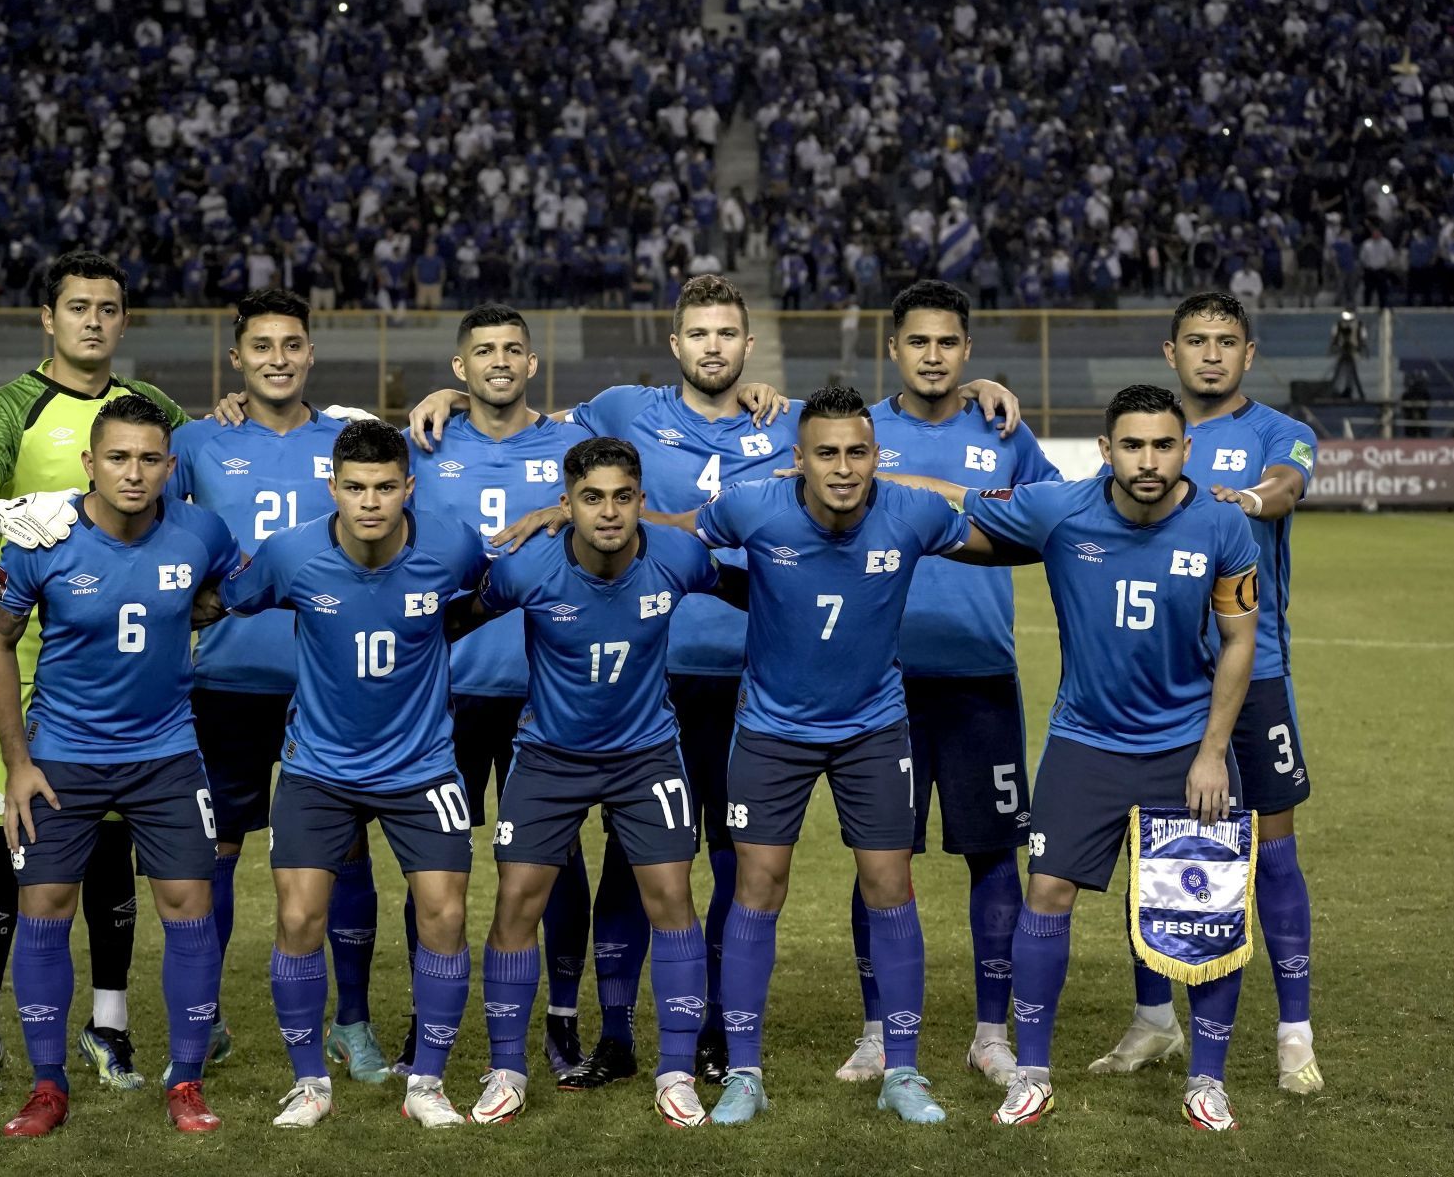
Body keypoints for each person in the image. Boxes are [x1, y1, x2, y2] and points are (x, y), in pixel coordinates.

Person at [426, 274, 1021, 1083]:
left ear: (748, 345)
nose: (713, 346)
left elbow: (869, 436)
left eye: (727, 333)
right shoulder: (624, 410)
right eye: (698, 333)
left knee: (736, 863)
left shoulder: (784, 425)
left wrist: (977, 387)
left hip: (750, 677)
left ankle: (712, 1030)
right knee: (637, 867)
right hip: (652, 677)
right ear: (675, 344)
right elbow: (524, 415)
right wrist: (452, 396)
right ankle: (616, 1029)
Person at [657, 386, 993, 1128]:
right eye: (828, 453)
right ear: (798, 460)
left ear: (877, 456)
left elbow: (1011, 535)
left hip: (874, 728)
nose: (844, 468)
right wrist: (573, 518)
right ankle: (745, 1072)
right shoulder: (754, 508)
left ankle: (902, 1069)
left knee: (889, 883)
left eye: (858, 452)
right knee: (759, 884)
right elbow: (676, 531)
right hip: (772, 729)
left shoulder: (913, 512)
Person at [951, 385, 1261, 1131]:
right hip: (1085, 742)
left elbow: (1240, 642)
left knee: (1202, 914)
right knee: (1046, 893)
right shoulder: (1060, 508)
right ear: (1104, 450)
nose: (1147, 461)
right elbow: (954, 498)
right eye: (1132, 445)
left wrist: (1214, 752)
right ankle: (1031, 1073)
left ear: (1186, 449)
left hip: (1188, 746)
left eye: (1162, 445)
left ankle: (1206, 1080)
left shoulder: (1222, 527)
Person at [197, 419, 491, 1129]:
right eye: (355, 487)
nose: (370, 502)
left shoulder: (450, 544)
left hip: (423, 766)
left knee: (445, 916)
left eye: (385, 486)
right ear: (331, 487)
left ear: (408, 487)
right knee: (298, 916)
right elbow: (220, 599)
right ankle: (309, 1082)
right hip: (319, 767)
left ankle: (427, 1082)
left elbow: (497, 590)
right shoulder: (293, 551)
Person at [450, 437, 748, 1127]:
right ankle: (505, 1069)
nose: (608, 512)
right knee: (517, 902)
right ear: (566, 504)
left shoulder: (679, 558)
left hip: (646, 754)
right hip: (550, 753)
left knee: (672, 897)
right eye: (592, 497)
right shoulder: (527, 571)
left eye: (621, 496)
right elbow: (450, 621)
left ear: (641, 501)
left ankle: (675, 1071)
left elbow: (756, 595)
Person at [0, 251, 188, 1098]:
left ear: (124, 321)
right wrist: (14, 513)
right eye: (77, 306)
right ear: (47, 319)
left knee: (115, 841)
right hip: (21, 658)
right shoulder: (10, 404)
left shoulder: (151, 411)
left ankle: (110, 1024)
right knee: (3, 837)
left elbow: (191, 485)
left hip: (127, 670)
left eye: (109, 307)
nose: (93, 319)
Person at [0, 392, 244, 1136]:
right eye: (118, 457)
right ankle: (47, 1084)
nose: (134, 472)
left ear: (170, 465)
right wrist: (18, 763)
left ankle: (186, 1080)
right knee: (45, 911)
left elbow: (235, 583)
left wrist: (204, 605)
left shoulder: (200, 531)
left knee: (190, 905)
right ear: (90, 463)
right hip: (63, 756)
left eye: (150, 458)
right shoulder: (43, 535)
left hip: (167, 755)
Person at [1087, 292, 1322, 1095]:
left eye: (1227, 341)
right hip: (1156, 688)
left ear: (1249, 355)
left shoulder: (1276, 432)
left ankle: (1295, 1033)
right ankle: (1155, 1020)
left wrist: (1249, 499)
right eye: (1197, 340)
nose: (1212, 354)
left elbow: (1288, 484)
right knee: (1154, 855)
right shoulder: (1150, 440)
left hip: (1255, 679)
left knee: (1273, 854)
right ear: (1170, 351)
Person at [834, 281, 1060, 1087]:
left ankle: (990, 1033)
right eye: (918, 342)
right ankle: (875, 1031)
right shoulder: (859, 433)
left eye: (948, 343)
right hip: (879, 686)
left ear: (967, 350)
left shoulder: (1002, 429)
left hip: (979, 679)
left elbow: (1048, 517)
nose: (933, 355)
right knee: (879, 860)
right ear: (893, 348)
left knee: (995, 858)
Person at [166, 288, 387, 1080]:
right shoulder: (196, 441)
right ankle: (208, 1020)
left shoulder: (349, 439)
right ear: (237, 359)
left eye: (292, 344)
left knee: (346, 853)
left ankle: (352, 1023)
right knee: (215, 853)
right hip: (224, 681)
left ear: (311, 353)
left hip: (330, 684)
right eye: (261, 346)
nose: (278, 358)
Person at [404, 303, 596, 1080]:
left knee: (557, 862)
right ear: (460, 368)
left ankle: (561, 1016)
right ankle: (429, 1014)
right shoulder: (423, 443)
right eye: (483, 351)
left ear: (533, 363)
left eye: (513, 349)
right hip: (441, 690)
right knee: (433, 864)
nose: (499, 361)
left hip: (545, 690)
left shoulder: (573, 445)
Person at [1328, 309, 1368, 399]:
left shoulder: (1359, 324)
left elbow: (1362, 338)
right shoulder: (1339, 324)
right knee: (1339, 372)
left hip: (1354, 351)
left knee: (1352, 372)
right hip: (1342, 350)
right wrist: (1334, 348)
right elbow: (1334, 337)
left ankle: (1349, 389)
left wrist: (1361, 348)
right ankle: (1335, 391)